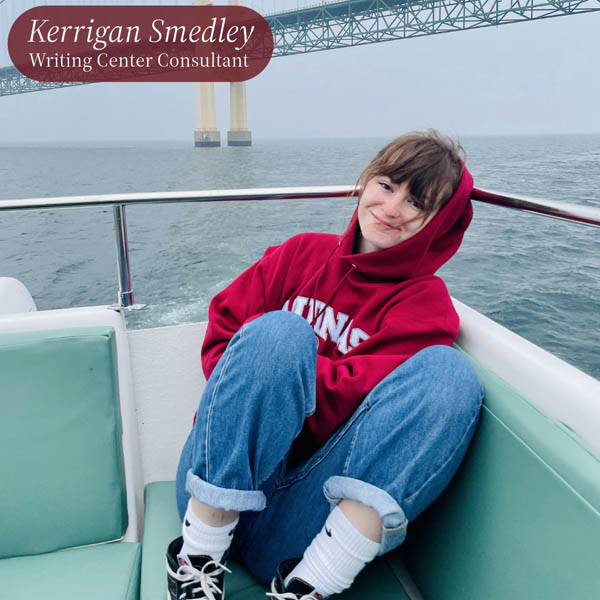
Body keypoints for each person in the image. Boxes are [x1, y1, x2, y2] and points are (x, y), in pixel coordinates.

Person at [166, 130, 484, 600]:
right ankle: (194, 560)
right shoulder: (300, 254)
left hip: (309, 520)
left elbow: (343, 413)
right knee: (280, 333)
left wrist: (278, 378)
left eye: (417, 203)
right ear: (366, 181)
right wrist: (274, 363)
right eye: (387, 185)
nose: (392, 208)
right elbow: (223, 339)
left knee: (452, 375)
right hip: (215, 487)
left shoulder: (426, 307)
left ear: (438, 224)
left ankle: (310, 585)